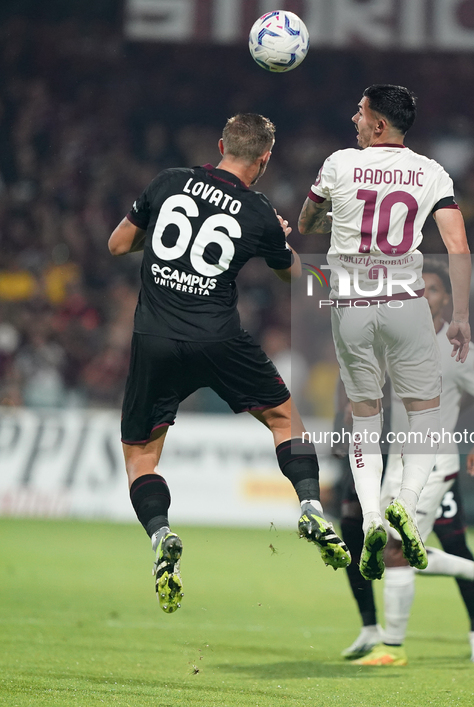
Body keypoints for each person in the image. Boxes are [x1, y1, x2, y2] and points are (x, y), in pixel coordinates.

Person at [108, 113, 350, 614]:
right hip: (219, 339)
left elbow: (116, 245)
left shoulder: (168, 182)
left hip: (155, 337)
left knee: (141, 454)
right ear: (264, 159)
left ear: (221, 144)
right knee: (284, 419)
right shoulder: (258, 211)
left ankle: (161, 537)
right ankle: (308, 504)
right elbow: (295, 278)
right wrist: (279, 239)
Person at [298, 84, 471, 577]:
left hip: (352, 304)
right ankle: (407, 503)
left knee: (365, 417)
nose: (354, 116)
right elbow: (457, 246)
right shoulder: (431, 172)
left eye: (361, 110)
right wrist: (459, 315)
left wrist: (334, 216)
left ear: (377, 125)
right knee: (425, 414)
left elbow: (308, 222)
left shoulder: (338, 164)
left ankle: (372, 515)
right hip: (405, 305)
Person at [339, 259, 474, 666]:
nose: (423, 296)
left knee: (397, 548)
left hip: (434, 462)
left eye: (432, 289)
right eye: (418, 289)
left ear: (446, 299)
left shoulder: (457, 349)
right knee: (380, 548)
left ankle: (392, 648)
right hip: (397, 461)